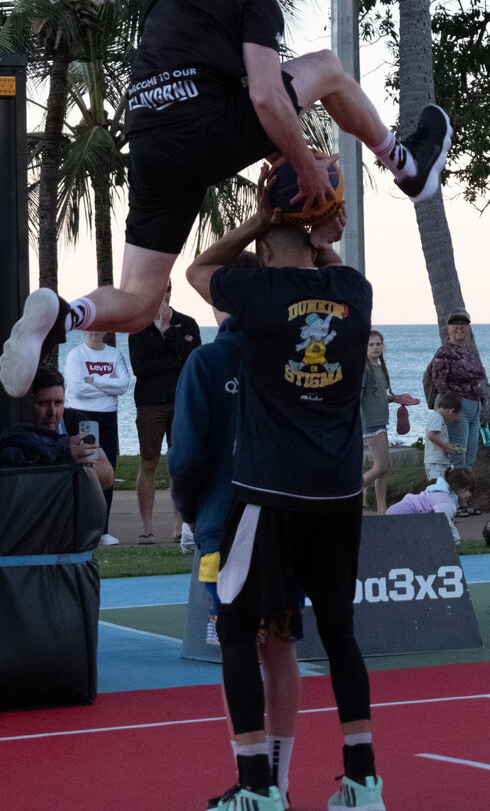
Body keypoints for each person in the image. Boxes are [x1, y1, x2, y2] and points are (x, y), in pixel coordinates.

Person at [0, 0, 452, 399]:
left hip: (148, 140)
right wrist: (302, 165)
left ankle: (66, 314)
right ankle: (405, 163)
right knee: (327, 67)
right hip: (203, 126)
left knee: (141, 301)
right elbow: (263, 93)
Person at [184, 177, 386, 811]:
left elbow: (199, 269)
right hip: (336, 495)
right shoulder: (356, 292)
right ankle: (363, 780)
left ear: (266, 257)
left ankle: (255, 789)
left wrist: (257, 221)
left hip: (268, 491)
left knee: (239, 632)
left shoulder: (259, 293)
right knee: (339, 633)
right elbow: (331, 269)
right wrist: (321, 237)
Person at [170, 246, 304, 807]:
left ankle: (254, 785)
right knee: (278, 645)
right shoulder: (291, 358)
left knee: (234, 644)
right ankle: (279, 779)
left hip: (222, 524)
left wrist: (189, 509)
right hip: (287, 522)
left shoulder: (206, 362)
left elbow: (186, 454)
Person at [127, 281, 201, 544]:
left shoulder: (187, 323)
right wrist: (176, 356)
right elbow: (140, 368)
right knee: (149, 462)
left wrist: (168, 330)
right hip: (149, 405)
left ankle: (179, 527)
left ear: (171, 292)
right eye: (159, 290)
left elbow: (194, 358)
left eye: (167, 290)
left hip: (182, 402)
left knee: (180, 462)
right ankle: (146, 528)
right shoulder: (138, 328)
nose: (163, 295)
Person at [0, 365, 115, 500]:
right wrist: (67, 458)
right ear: (28, 403)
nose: (52, 412)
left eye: (58, 403)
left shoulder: (74, 421)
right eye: (43, 403)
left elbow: (107, 476)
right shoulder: (16, 431)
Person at [63, 328, 130, 544]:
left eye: (99, 326)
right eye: (91, 327)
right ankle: (79, 528)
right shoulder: (76, 355)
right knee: (84, 469)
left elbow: (123, 385)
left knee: (106, 469)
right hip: (83, 416)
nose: (95, 331)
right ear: (84, 330)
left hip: (108, 417)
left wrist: (93, 380)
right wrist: (106, 383)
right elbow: (77, 388)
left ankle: (103, 530)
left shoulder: (114, 355)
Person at [360, 331, 418, 515]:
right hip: (370, 423)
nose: (376, 347)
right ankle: (349, 490)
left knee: (384, 469)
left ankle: (381, 509)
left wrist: (395, 398)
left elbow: (376, 396)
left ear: (383, 347)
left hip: (380, 421)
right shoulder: (364, 369)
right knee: (381, 466)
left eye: (378, 344)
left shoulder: (379, 368)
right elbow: (357, 395)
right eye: (371, 345)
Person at [426, 312, 485, 491]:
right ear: (448, 328)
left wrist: (483, 405)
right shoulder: (444, 352)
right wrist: (453, 409)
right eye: (455, 324)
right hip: (457, 409)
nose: (459, 327)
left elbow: (478, 379)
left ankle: (463, 500)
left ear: (468, 327)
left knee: (469, 458)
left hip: (474, 408)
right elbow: (440, 383)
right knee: (457, 457)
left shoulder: (469, 351)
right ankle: (453, 501)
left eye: (464, 323)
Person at [385, 468, 476, 547]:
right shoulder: (445, 501)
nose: (470, 494)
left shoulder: (441, 493)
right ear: (458, 487)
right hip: (403, 513)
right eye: (468, 490)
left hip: (399, 510)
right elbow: (445, 525)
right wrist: (456, 543)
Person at [423, 393, 462, 483]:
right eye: (454, 416)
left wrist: (449, 446)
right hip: (435, 463)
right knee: (438, 488)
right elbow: (431, 435)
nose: (452, 420)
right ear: (451, 411)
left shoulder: (438, 417)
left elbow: (438, 437)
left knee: (443, 487)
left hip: (440, 462)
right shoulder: (437, 418)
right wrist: (446, 447)